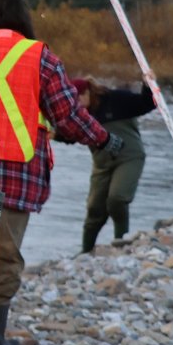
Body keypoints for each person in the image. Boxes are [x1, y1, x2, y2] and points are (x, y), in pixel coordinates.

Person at [0, 0, 122, 345]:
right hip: (14, 179)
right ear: (25, 21)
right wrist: (104, 139)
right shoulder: (40, 56)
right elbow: (69, 117)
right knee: (3, 255)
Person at [69, 77, 155, 252]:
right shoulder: (77, 114)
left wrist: (148, 85)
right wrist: (52, 135)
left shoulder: (115, 99)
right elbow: (70, 135)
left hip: (129, 157)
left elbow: (147, 103)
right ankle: (85, 252)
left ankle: (121, 242)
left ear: (87, 92)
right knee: (94, 209)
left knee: (117, 199)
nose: (75, 104)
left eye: (77, 99)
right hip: (102, 164)